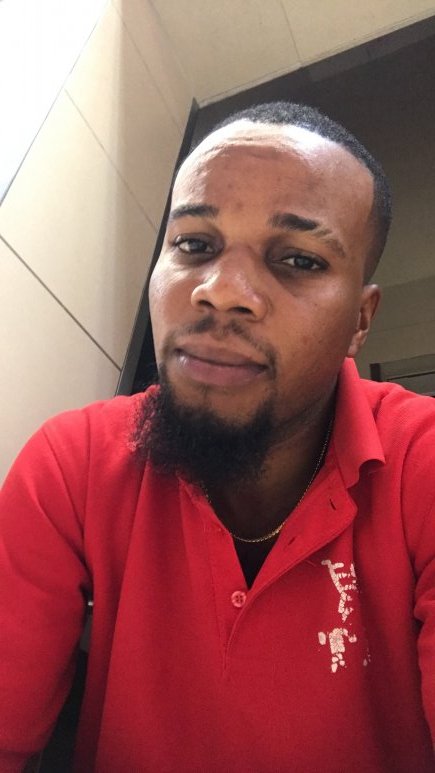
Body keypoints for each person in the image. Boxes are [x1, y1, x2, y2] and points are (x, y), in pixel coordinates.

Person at [1, 101, 434, 772]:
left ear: (360, 319)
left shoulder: (420, 463)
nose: (221, 291)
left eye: (297, 259)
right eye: (194, 245)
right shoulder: (73, 462)